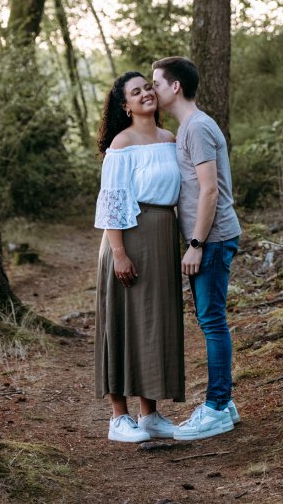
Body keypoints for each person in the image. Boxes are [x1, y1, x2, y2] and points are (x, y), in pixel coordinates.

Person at [152, 56, 241, 441]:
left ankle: (217, 408)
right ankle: (226, 402)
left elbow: (209, 189)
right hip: (209, 239)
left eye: (156, 83)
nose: (152, 90)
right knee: (210, 320)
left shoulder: (198, 128)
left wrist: (195, 244)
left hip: (213, 238)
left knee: (212, 321)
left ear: (175, 87)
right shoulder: (189, 127)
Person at [94, 71, 185, 443]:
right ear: (125, 105)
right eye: (136, 91)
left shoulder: (169, 139)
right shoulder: (122, 143)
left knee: (152, 324)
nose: (146, 93)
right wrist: (118, 253)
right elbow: (112, 201)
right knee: (121, 322)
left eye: (148, 87)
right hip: (128, 237)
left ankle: (149, 415)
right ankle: (119, 418)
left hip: (163, 235)